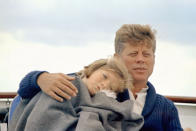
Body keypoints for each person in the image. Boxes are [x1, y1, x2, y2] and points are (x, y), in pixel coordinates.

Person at [14, 24, 184, 130]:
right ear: (116, 59)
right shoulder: (89, 85)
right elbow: (24, 90)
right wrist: (40, 78)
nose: (141, 59)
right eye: (133, 53)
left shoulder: (166, 108)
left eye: (147, 54)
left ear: (154, 59)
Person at [9, 57, 144, 131]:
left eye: (111, 88)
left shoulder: (102, 103)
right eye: (104, 76)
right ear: (92, 69)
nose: (104, 85)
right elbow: (24, 92)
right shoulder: (66, 82)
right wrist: (39, 78)